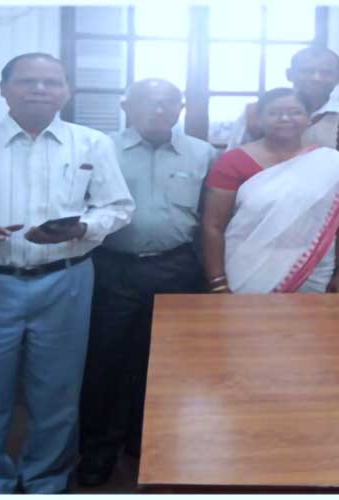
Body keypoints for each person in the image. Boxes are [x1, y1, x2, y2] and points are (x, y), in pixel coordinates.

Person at [0, 52, 134, 493]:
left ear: (67, 91)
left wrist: (83, 227)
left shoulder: (91, 143)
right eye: (28, 81)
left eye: (52, 82)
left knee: (57, 392)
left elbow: (118, 207)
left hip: (65, 281)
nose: (40, 89)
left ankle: (46, 479)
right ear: (3, 89)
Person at [76, 79, 217, 486]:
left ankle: (149, 442)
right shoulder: (99, 148)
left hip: (177, 268)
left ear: (180, 108)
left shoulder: (202, 152)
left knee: (166, 362)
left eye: (169, 102)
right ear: (127, 107)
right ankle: (99, 448)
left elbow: (211, 216)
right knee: (106, 360)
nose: (159, 109)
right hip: (112, 266)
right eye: (148, 102)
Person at [226, 46, 339, 288]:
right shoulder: (255, 114)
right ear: (290, 74)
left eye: (325, 72)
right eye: (307, 71)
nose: (316, 78)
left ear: (338, 77)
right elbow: (232, 171)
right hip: (259, 234)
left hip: (332, 239)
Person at [203, 87, 339, 293]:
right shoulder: (233, 162)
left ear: (309, 119)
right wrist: (218, 281)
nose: (285, 118)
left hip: (314, 269)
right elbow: (213, 226)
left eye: (295, 112)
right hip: (248, 267)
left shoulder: (329, 163)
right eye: (274, 113)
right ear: (259, 119)